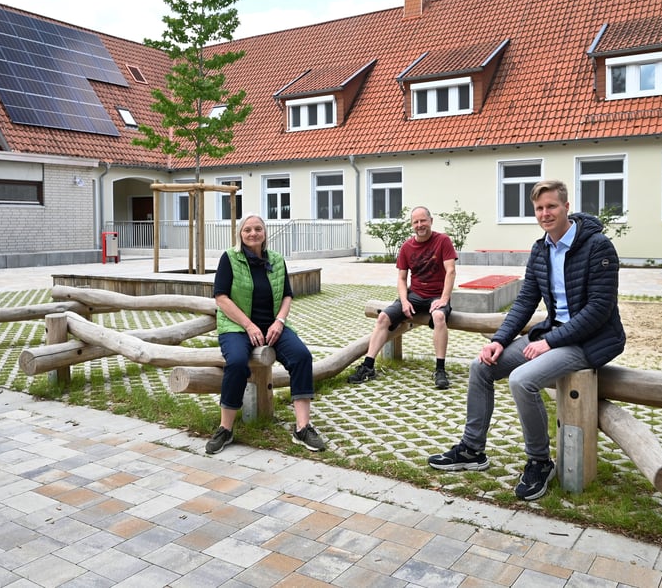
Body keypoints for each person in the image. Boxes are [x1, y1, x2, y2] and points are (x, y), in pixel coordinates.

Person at [427, 180, 625, 500]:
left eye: (552, 206)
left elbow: (599, 309)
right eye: (539, 208)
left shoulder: (598, 246)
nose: (545, 213)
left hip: (589, 340)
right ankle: (472, 450)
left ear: (566, 207)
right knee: (481, 366)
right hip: (554, 334)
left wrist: (551, 341)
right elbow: (524, 302)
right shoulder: (541, 248)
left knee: (522, 380)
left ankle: (539, 461)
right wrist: (499, 341)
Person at [207, 215, 326, 454]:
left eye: (258, 229)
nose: (253, 233)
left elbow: (287, 295)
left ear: (264, 233)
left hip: (272, 326)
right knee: (237, 362)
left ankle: (302, 428)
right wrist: (249, 326)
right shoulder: (229, 258)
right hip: (237, 326)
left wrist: (279, 322)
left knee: (302, 356)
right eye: (247, 230)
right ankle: (225, 429)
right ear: (240, 234)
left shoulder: (276, 259)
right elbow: (221, 297)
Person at [347, 206, 458, 389]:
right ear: (412, 225)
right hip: (414, 295)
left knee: (439, 317)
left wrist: (444, 299)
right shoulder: (407, 247)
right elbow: (401, 278)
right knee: (383, 318)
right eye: (416, 222)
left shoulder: (443, 241)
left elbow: (451, 271)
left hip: (436, 295)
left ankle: (440, 370)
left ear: (431, 221)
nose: (420, 225)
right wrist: (404, 301)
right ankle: (368, 366)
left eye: (423, 220)